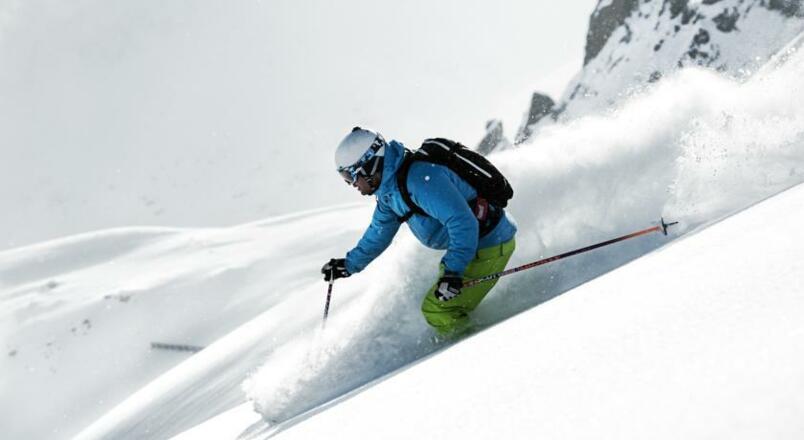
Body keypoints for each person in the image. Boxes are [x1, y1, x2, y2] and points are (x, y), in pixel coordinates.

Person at [321, 127, 517, 336]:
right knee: (438, 302)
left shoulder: (418, 179)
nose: (352, 185)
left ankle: (480, 349)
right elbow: (378, 233)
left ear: (369, 166)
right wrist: (348, 265)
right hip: (471, 248)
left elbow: (462, 222)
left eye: (351, 177)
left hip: (492, 244)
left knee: (438, 309)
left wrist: (453, 272)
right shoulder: (390, 192)